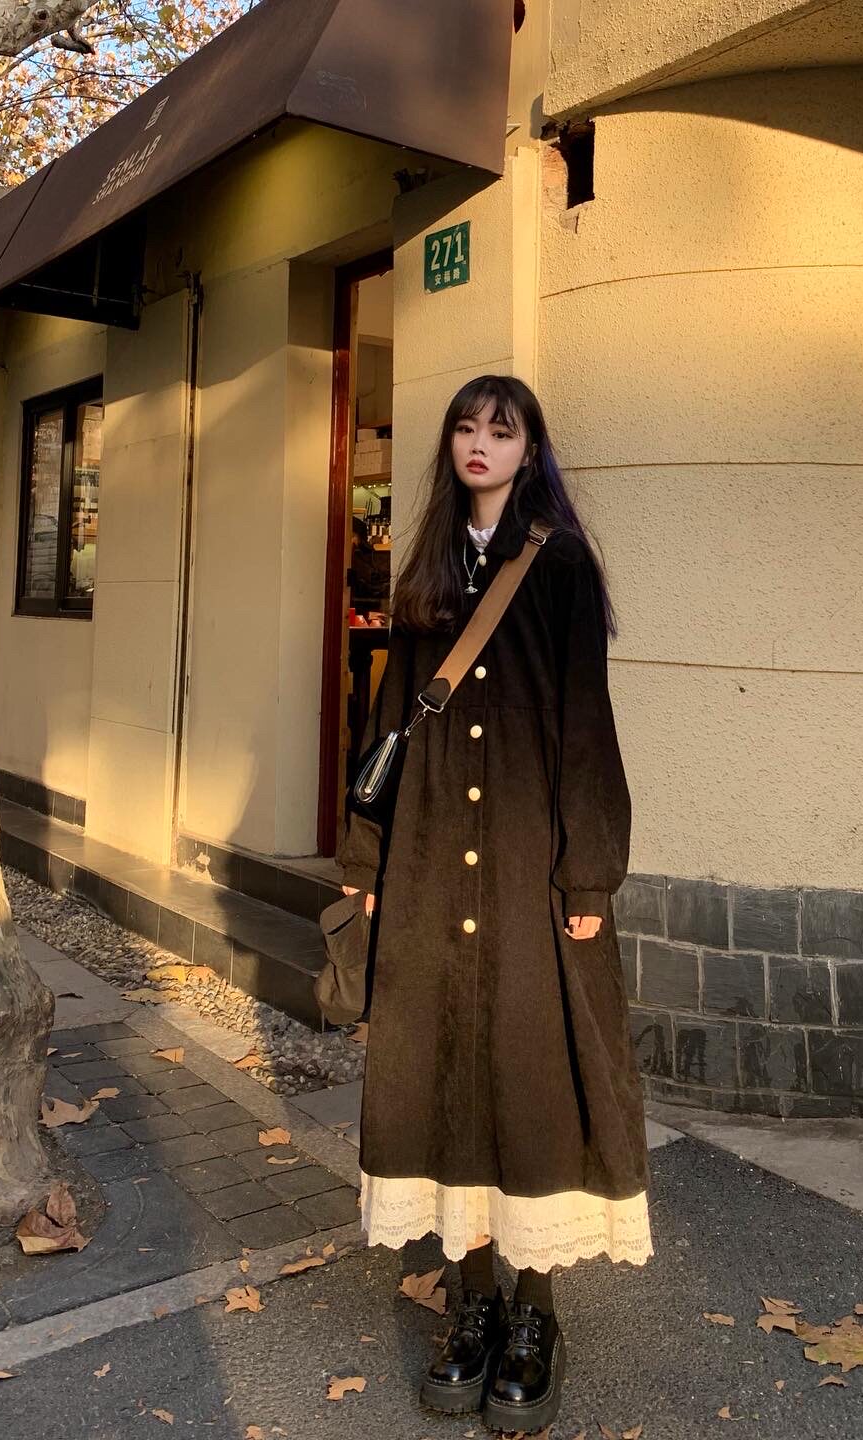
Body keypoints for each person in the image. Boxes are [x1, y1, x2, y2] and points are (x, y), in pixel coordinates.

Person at [338, 374, 652, 1434]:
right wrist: (366, 860)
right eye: (467, 428)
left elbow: (585, 723)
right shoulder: (425, 568)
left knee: (532, 1076)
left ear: (530, 449)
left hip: (528, 864)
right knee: (442, 1072)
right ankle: (470, 1303)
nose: (481, 444)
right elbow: (389, 722)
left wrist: (587, 874)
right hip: (429, 861)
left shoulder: (558, 565)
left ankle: (535, 1313)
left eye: (502, 431)